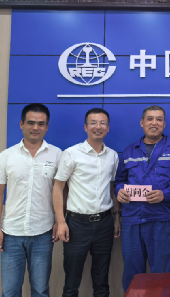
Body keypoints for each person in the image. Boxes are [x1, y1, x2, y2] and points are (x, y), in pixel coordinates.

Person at [0, 103, 62, 297]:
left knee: (40, 290)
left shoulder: (57, 155)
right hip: (11, 233)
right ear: (21, 124)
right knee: (10, 291)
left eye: (41, 124)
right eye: (30, 123)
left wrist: (59, 220)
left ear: (47, 126)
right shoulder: (7, 156)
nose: (35, 127)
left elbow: (63, 191)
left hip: (43, 232)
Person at [115, 105, 170, 291]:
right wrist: (119, 191)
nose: (154, 123)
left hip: (160, 219)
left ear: (164, 124)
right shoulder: (129, 151)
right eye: (150, 119)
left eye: (159, 119)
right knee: (133, 274)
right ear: (142, 123)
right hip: (132, 220)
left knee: (161, 274)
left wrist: (165, 194)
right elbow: (119, 181)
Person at [53, 108, 121, 297]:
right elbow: (58, 187)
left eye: (102, 123)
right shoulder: (71, 153)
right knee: (71, 283)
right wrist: (60, 221)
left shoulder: (113, 156)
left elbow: (113, 189)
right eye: (93, 123)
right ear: (85, 127)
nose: (98, 127)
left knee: (102, 282)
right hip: (76, 225)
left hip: (105, 224)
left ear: (108, 127)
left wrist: (116, 218)